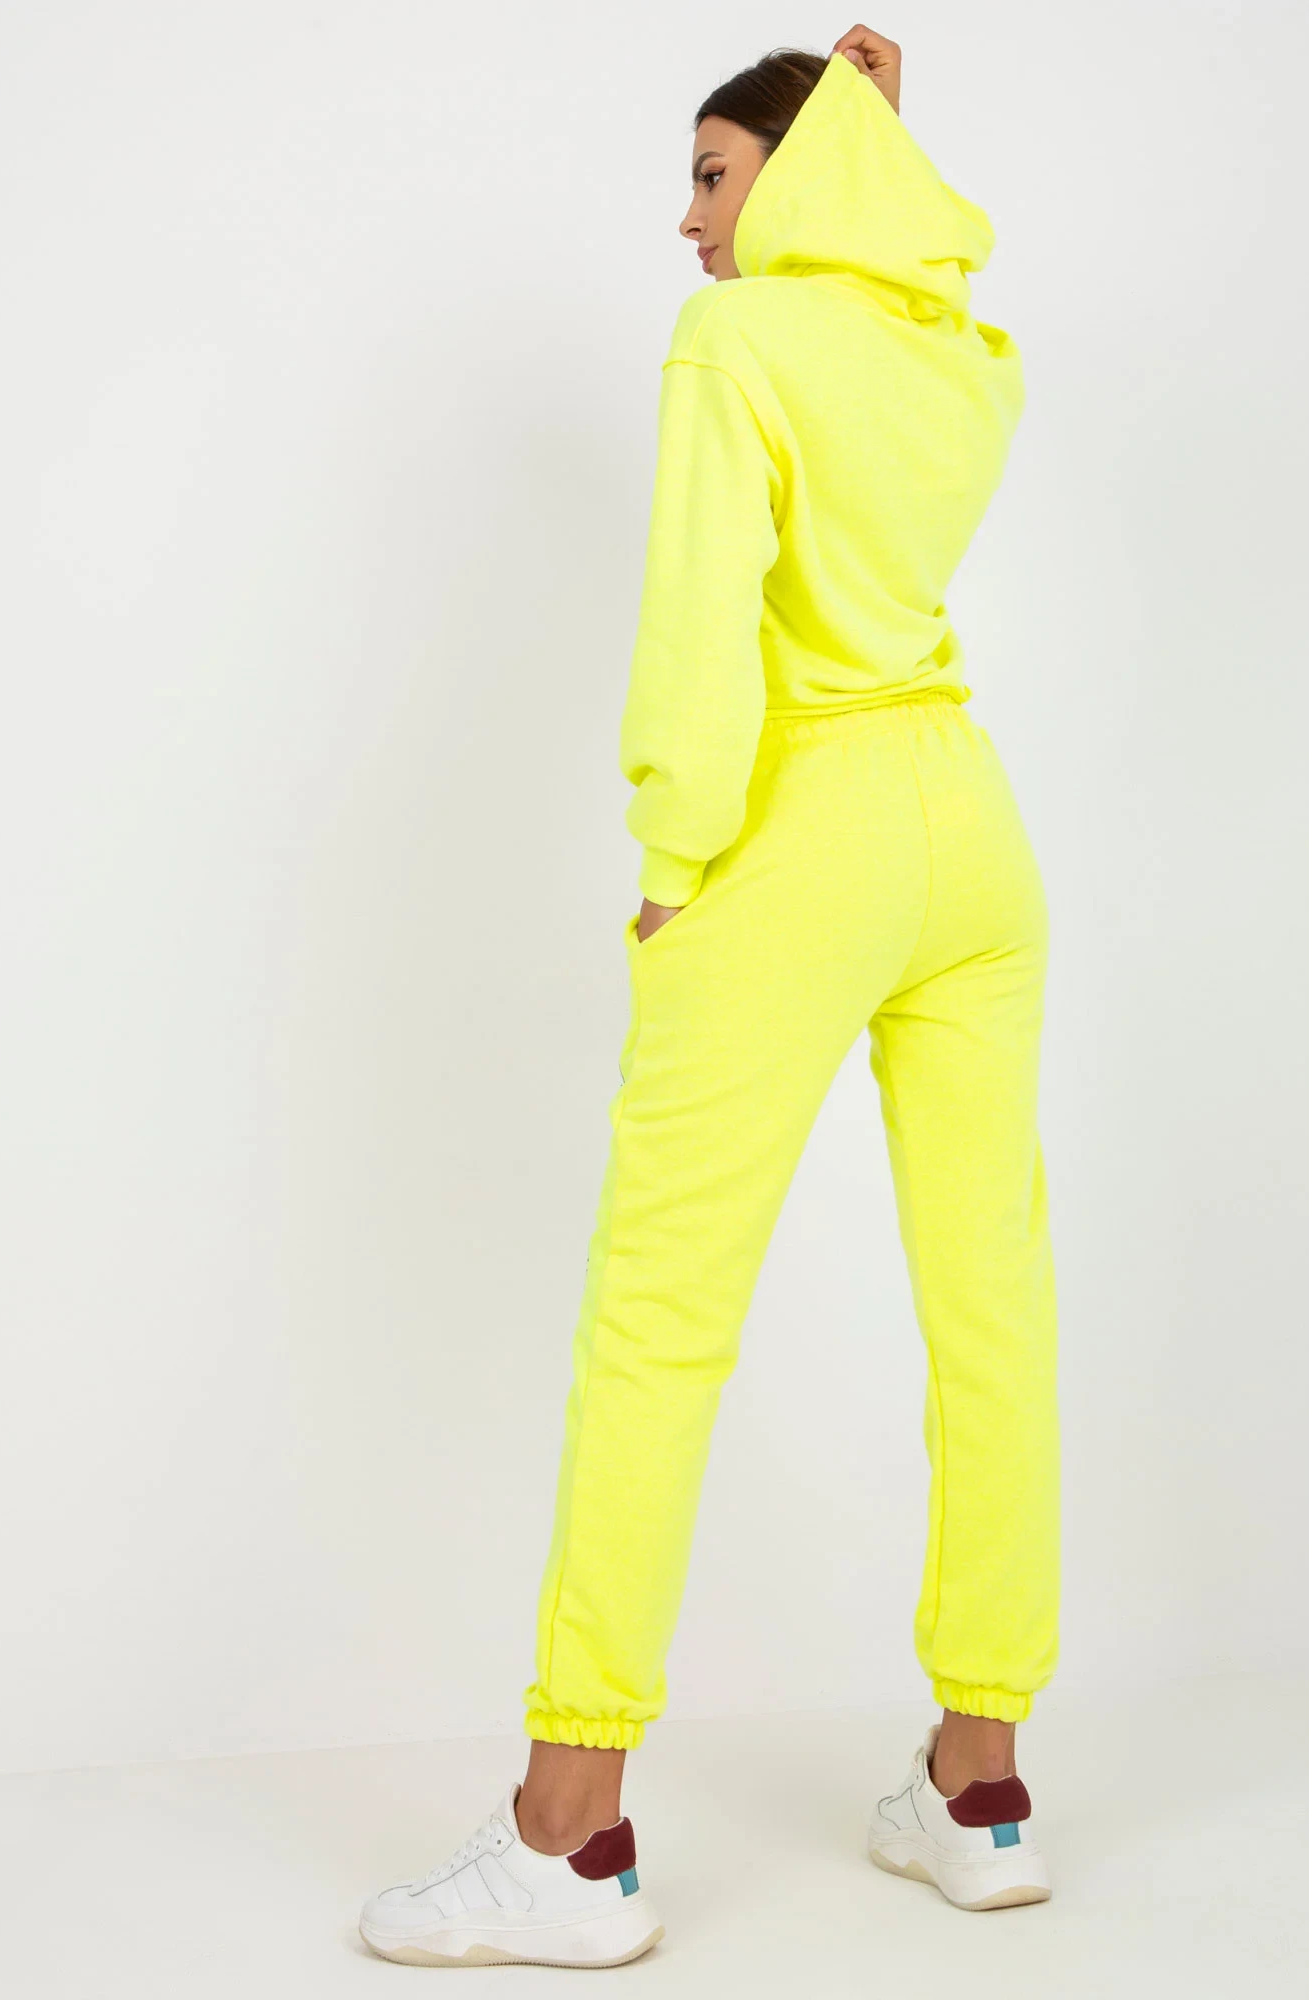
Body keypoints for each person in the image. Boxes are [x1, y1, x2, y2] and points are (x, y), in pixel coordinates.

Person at [359, 23, 1059, 1967]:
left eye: (713, 175)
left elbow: (699, 628)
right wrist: (869, 142)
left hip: (800, 827)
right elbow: (899, 277)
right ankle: (982, 1791)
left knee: (658, 1324)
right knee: (993, 1313)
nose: (687, 221)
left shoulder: (737, 344)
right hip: (974, 828)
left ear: (791, 176)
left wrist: (676, 858)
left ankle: (566, 1833)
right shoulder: (963, 355)